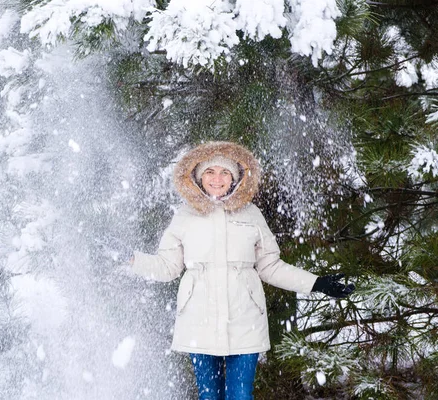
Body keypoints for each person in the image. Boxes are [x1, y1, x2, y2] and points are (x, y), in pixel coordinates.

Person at [129, 141, 354, 400]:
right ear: (199, 177)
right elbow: (167, 267)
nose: (217, 178)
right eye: (210, 172)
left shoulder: (251, 214)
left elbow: (271, 266)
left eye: (225, 172)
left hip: (245, 320)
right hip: (198, 322)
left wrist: (317, 283)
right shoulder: (184, 216)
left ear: (235, 178)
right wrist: (132, 260)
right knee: (209, 396)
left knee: (240, 395)